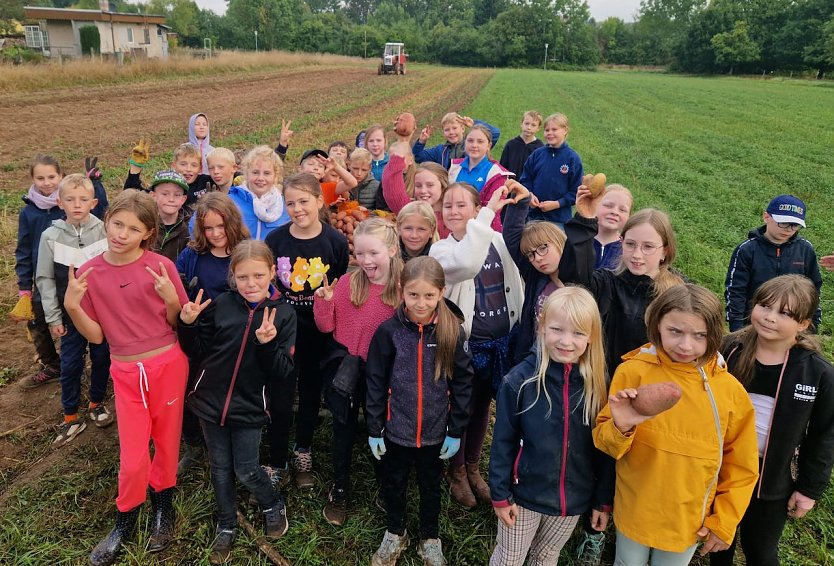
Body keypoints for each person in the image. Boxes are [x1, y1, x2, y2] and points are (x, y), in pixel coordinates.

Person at [63, 189, 190, 565]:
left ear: (147, 233)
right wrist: (72, 305)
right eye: (117, 224)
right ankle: (124, 520)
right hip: (125, 370)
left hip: (167, 364)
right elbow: (97, 336)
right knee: (133, 456)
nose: (121, 234)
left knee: (166, 442)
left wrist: (170, 298)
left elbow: (177, 319)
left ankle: (162, 508)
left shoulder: (160, 267)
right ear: (107, 220)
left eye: (133, 229)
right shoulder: (88, 273)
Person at [560, 186, 686, 564]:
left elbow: (697, 334)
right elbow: (572, 276)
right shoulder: (605, 283)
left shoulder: (674, 295)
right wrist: (583, 221)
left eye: (648, 247)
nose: (637, 254)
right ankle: (588, 524)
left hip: (644, 395)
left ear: (665, 249)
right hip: (601, 383)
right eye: (631, 244)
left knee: (630, 464)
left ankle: (610, 525)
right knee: (594, 451)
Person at [594, 284, 759, 565]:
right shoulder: (632, 371)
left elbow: (741, 465)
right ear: (657, 324)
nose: (685, 345)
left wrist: (724, 520)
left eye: (700, 336)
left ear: (715, 334)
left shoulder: (729, 391)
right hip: (636, 508)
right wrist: (621, 427)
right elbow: (606, 443)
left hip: (688, 519)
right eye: (675, 331)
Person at [177, 240, 297, 563]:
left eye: (259, 275)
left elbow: (283, 371)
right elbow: (197, 349)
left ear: (272, 272)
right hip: (210, 404)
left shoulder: (283, 315)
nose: (251, 284)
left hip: (249, 408)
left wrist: (267, 345)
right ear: (232, 277)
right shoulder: (221, 305)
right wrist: (186, 324)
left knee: (246, 469)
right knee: (220, 467)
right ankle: (226, 523)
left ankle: (272, 503)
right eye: (242, 277)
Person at [710, 275, 834, 566]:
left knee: (761, 551)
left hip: (772, 479)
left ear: (803, 323)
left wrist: (808, 490)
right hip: (721, 468)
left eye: (785, 313)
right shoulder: (728, 350)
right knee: (717, 543)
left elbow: (823, 435)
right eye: (764, 305)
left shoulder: (817, 372)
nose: (769, 317)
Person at [489, 287, 613, 566]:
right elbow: (503, 442)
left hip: (571, 501)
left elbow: (605, 448)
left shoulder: (599, 385)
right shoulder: (519, 381)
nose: (566, 341)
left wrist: (602, 500)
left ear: (591, 336)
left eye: (578, 333)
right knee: (510, 557)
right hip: (524, 498)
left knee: (546, 556)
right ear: (541, 326)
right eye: (557, 329)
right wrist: (499, 494)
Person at [365, 256, 474, 566]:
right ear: (402, 291)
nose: (421, 302)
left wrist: (456, 430)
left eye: (429, 295)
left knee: (430, 487)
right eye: (413, 295)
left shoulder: (452, 332)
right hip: (395, 429)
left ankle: (430, 537)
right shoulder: (388, 332)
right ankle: (394, 532)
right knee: (394, 483)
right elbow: (374, 381)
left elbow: (464, 383)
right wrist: (374, 427)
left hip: (436, 432)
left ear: (441, 292)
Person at [430, 183, 525, 509]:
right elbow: (467, 264)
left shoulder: (496, 240)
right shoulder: (441, 251)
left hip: (501, 341)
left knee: (483, 405)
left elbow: (515, 278)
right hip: (468, 346)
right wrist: (487, 215)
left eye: (461, 205)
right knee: (461, 407)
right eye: (448, 206)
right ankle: (455, 471)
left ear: (473, 208)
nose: (454, 212)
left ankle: (472, 465)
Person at [313, 218, 403, 526]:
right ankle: (340, 484)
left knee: (382, 426)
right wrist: (323, 303)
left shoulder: (403, 289)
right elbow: (326, 326)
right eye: (360, 253)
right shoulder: (349, 283)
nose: (365, 261)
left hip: (385, 372)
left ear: (392, 250)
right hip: (346, 366)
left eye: (373, 253)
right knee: (343, 426)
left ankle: (386, 481)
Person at [265, 173, 350, 490]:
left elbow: (339, 284)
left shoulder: (335, 242)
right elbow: (271, 285)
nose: (297, 208)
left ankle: (303, 447)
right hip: (285, 327)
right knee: (282, 387)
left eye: (304, 201)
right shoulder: (275, 241)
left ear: (319, 201)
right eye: (290, 203)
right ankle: (276, 456)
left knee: (312, 388)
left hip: (318, 330)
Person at [175, 192, 251, 474]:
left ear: (232, 222)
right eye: (209, 228)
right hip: (200, 334)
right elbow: (174, 283)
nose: (216, 233)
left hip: (236, 337)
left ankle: (233, 445)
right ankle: (194, 443)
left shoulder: (246, 251)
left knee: (231, 391)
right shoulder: (193, 254)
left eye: (221, 226)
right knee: (191, 389)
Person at [35, 174, 112, 446]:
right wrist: (53, 317)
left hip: (102, 315)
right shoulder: (50, 236)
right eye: (70, 199)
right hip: (69, 316)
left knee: (102, 358)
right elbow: (44, 279)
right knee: (70, 364)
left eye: (82, 199)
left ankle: (96, 402)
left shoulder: (104, 231)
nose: (76, 205)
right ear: (60, 202)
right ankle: (70, 416)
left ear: (93, 202)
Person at [724, 194, 822, 332]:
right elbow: (735, 291)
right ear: (766, 217)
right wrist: (736, 327)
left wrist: (813, 325)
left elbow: (814, 289)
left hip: (790, 323)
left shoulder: (805, 249)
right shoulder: (747, 249)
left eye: (795, 225)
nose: (788, 229)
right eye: (783, 222)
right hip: (754, 323)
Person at [14, 154, 70, 388]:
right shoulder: (28, 213)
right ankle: (52, 364)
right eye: (40, 178)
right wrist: (24, 288)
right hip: (42, 279)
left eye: (51, 177)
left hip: (68, 277)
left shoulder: (69, 205)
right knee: (37, 321)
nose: (47, 182)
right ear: (32, 179)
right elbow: (24, 250)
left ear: (61, 176)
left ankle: (72, 363)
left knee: (69, 321)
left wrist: (95, 185)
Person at [502, 186, 567, 365]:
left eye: (543, 248)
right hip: (535, 359)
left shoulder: (580, 277)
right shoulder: (536, 276)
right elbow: (512, 237)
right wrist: (522, 201)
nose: (537, 258)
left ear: (559, 242)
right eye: (531, 255)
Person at [520, 113, 583, 227]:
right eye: (547, 130)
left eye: (554, 129)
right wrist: (529, 194)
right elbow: (525, 178)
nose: (550, 133)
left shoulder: (572, 159)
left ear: (565, 130)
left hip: (558, 220)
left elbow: (576, 192)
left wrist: (557, 204)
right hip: (533, 216)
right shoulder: (537, 154)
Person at [448, 124, 513, 232]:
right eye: (470, 140)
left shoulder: (496, 174)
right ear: (464, 143)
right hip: (454, 228)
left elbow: (491, 210)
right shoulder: (454, 167)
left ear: (489, 145)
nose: (474, 145)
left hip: (483, 231)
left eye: (480, 141)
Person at [228, 145, 289, 240]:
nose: (261, 178)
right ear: (247, 173)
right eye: (255, 172)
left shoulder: (286, 206)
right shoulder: (229, 203)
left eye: (267, 173)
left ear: (275, 176)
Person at [382, 153, 450, 238]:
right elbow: (393, 192)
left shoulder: (452, 213)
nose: (423, 191)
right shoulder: (411, 209)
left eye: (430, 185)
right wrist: (400, 151)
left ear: (443, 186)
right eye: (418, 186)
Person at [125, 141, 212, 205]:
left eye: (194, 165)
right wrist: (136, 167)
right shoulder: (166, 184)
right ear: (173, 166)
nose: (188, 169)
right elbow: (132, 195)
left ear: (200, 168)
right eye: (183, 164)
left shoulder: (206, 182)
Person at [412, 113, 501, 170]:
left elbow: (495, 133)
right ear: (443, 133)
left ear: (462, 128)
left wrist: (474, 123)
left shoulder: (473, 146)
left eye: (454, 128)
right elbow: (417, 157)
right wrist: (421, 141)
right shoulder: (440, 151)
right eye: (447, 130)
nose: (451, 132)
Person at [148, 169, 191, 263]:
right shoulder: (145, 224)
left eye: (177, 195)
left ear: (183, 199)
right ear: (153, 196)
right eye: (165, 194)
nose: (171, 199)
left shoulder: (190, 228)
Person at [593, 184, 632, 270]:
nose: (615, 212)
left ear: (629, 216)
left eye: (622, 210)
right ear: (595, 206)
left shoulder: (628, 249)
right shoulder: (582, 239)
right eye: (608, 205)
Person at [499, 110, 544, 177]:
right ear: (521, 124)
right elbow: (502, 168)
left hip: (528, 186)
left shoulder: (540, 148)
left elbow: (540, 171)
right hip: (510, 184)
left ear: (538, 128)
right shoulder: (511, 144)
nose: (529, 127)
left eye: (533, 125)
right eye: (526, 123)